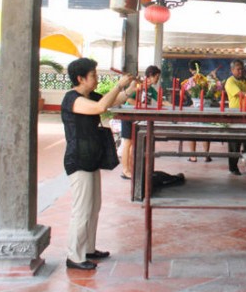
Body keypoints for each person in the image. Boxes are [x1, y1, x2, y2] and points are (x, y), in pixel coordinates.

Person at [61, 58, 136, 270]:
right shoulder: (72, 99)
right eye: (93, 75)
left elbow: (114, 100)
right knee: (82, 209)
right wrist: (118, 84)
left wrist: (131, 87)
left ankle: (88, 249)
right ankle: (74, 256)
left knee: (94, 206)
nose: (96, 78)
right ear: (80, 78)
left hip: (91, 157)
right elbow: (101, 107)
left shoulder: (89, 96)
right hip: (78, 159)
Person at [119, 65, 169, 180]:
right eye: (157, 76)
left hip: (137, 117)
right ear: (152, 76)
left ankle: (131, 168)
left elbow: (161, 101)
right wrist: (141, 106)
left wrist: (174, 107)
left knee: (134, 144)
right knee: (127, 143)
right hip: (128, 115)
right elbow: (128, 99)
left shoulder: (150, 89)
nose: (157, 79)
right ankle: (125, 170)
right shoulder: (139, 86)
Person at [181, 60, 212, 163]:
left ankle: (193, 156)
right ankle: (206, 155)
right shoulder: (206, 80)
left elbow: (189, 93)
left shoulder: (190, 81)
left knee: (192, 131)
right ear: (200, 67)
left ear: (190, 69)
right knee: (206, 131)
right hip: (206, 108)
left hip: (194, 108)